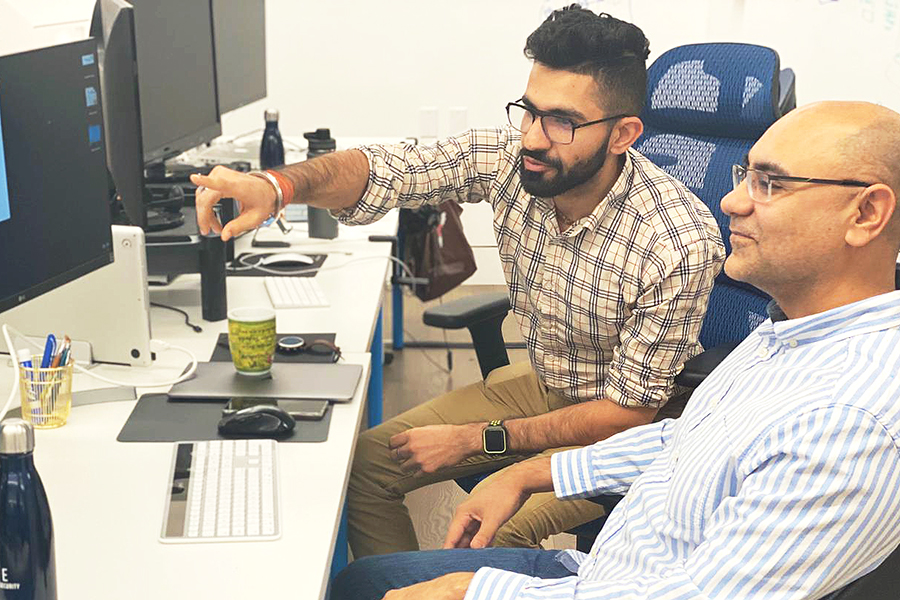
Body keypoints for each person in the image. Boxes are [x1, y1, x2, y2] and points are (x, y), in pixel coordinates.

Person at [193, 6, 724, 556]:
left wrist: (477, 439)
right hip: (547, 386)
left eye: (562, 122)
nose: (534, 139)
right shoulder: (512, 159)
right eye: (529, 111)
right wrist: (277, 186)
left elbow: (623, 416)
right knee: (371, 464)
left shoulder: (677, 241)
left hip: (623, 432)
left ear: (623, 135)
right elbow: (385, 168)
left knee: (489, 537)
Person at [327, 100, 900, 600]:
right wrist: (532, 473)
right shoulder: (790, 334)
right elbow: (680, 439)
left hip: (624, 587)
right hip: (607, 568)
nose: (731, 202)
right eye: (743, 175)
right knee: (366, 579)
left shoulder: (847, 421)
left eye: (769, 184)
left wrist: (478, 588)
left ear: (866, 213)